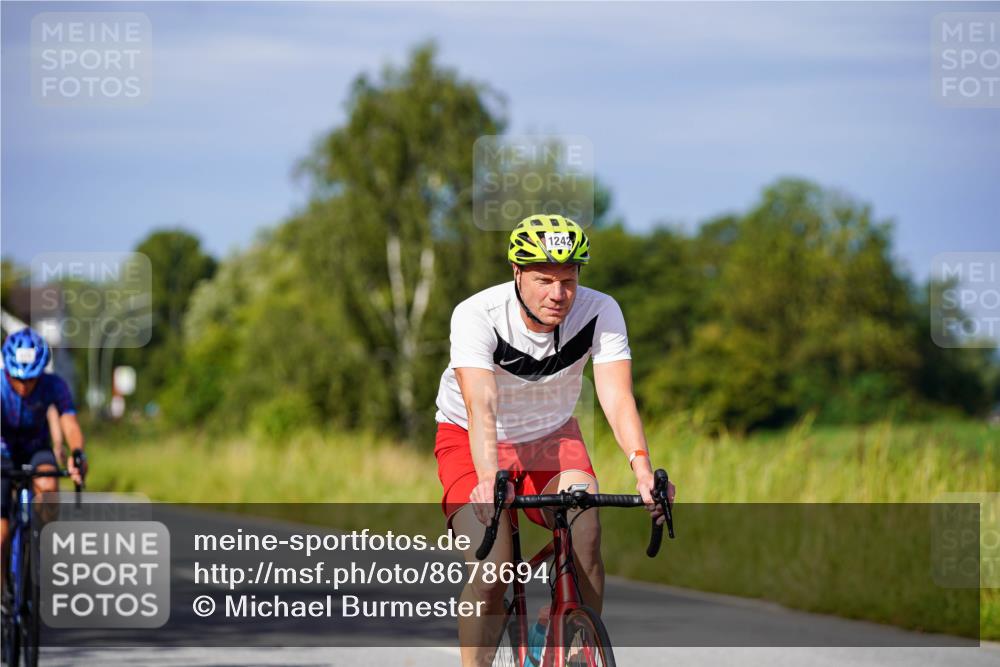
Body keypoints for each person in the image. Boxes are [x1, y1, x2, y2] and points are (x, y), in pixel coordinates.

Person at [434, 214, 676, 666]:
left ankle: (576, 646)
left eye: (568, 279)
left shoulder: (600, 310)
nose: (558, 294)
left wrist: (642, 468)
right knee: (493, 570)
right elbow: (480, 404)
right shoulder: (477, 314)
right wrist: (488, 477)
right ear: (516, 272)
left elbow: (616, 394)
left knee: (585, 532)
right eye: (544, 279)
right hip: (472, 438)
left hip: (552, 435)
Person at [1, 328, 87, 591]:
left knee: (48, 484)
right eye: (18, 379)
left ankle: (42, 547)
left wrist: (77, 454)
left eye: (31, 380)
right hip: (3, 449)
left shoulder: (54, 385)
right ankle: (3, 590)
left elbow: (69, 422)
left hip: (36, 447)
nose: (24, 386)